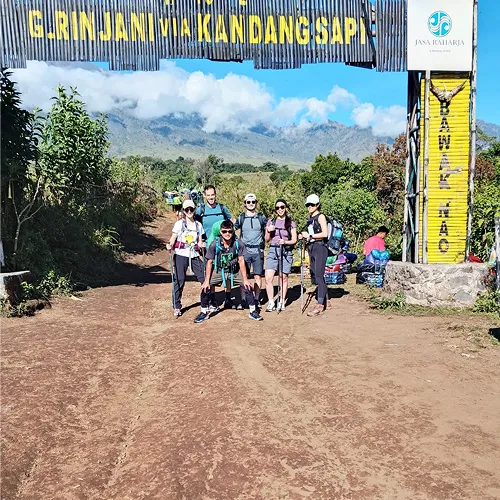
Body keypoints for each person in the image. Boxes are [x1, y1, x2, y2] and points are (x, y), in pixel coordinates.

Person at [194, 220, 263, 323]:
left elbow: (241, 261)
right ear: (221, 232)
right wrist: (207, 280)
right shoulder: (214, 244)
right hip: (219, 269)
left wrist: (245, 279)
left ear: (233, 231)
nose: (227, 234)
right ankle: (204, 312)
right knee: (205, 288)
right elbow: (209, 262)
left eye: (230, 231)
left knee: (247, 286)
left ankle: (253, 311)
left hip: (233, 270)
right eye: (225, 231)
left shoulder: (238, 243)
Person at [195, 185, 233, 311]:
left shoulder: (222, 208)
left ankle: (228, 297)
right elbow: (195, 225)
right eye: (208, 195)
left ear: (215, 195)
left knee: (227, 270)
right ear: (205, 196)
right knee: (209, 272)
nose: (211, 197)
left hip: (223, 245)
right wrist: (199, 241)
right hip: (208, 246)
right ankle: (212, 300)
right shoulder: (201, 209)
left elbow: (231, 220)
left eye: (213, 195)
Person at [166, 199, 205, 318]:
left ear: (194, 210)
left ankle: (206, 302)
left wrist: (201, 245)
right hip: (181, 255)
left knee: (204, 278)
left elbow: (200, 241)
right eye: (187, 209)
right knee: (179, 280)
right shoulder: (179, 224)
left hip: (194, 255)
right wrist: (170, 245)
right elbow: (173, 239)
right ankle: (177, 306)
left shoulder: (198, 225)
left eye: (191, 209)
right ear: (183, 211)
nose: (189, 212)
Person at [234, 193, 268, 310]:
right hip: (245, 250)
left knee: (258, 276)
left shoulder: (261, 217)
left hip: (258, 250)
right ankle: (244, 299)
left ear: (256, 203)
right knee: (244, 275)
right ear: (245, 204)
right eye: (248, 202)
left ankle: (256, 299)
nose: (251, 204)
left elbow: (268, 230)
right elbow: (232, 229)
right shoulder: (241, 218)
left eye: (253, 202)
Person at [264, 199, 297, 312]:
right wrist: (268, 231)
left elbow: (294, 240)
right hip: (273, 250)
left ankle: (282, 300)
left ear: (286, 208)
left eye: (282, 207)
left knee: (283, 277)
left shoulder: (291, 222)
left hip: (285, 251)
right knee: (268, 277)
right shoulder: (271, 222)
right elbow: (267, 240)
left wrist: (285, 242)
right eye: (277, 208)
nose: (280, 210)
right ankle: (271, 301)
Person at [300, 194, 329, 317]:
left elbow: (325, 233)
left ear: (317, 205)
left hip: (320, 248)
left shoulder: (321, 216)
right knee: (315, 274)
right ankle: (327, 300)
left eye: (312, 204)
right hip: (312, 247)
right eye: (308, 205)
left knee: (318, 275)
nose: (309, 207)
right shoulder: (310, 218)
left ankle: (320, 305)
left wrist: (310, 236)